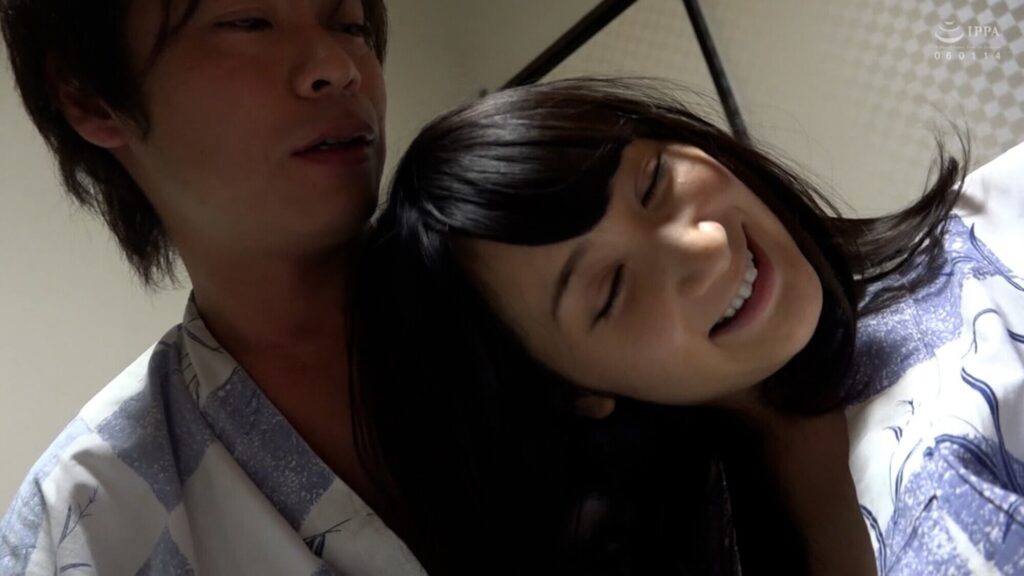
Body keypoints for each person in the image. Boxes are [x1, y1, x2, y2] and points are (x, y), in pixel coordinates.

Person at [353, 78, 1022, 574]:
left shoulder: (1001, 241)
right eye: (612, 289)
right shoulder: (702, 546)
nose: (706, 247)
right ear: (576, 391)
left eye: (653, 182)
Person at [0, 1, 427, 574]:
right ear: (90, 97)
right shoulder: (84, 523)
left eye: (350, 26)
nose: (338, 67)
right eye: (248, 23)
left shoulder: (529, 282)